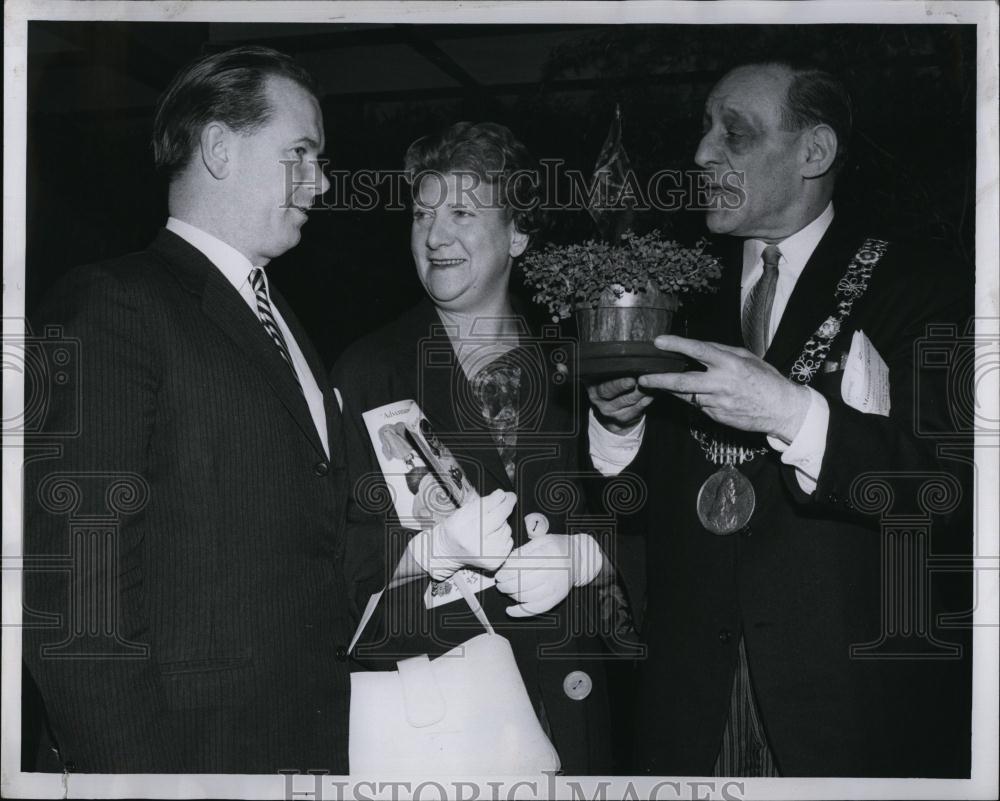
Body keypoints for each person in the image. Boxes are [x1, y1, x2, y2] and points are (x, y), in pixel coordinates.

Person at [587, 60, 973, 777]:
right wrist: (616, 428)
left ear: (814, 153)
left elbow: (948, 489)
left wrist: (794, 414)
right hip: (686, 709)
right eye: (705, 129)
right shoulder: (669, 287)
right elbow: (625, 505)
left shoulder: (920, 285)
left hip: (848, 709)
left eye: (733, 133)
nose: (703, 153)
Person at [23, 46, 355, 773]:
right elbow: (77, 595)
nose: (321, 182)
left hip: (301, 750)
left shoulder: (289, 325)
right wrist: (143, 784)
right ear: (217, 148)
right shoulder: (114, 306)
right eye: (300, 153)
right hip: (186, 761)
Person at [331, 122, 626, 774]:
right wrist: (427, 557)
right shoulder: (371, 371)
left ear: (518, 232)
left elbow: (642, 532)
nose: (435, 235)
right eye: (422, 213)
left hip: (572, 709)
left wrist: (593, 560)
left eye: (462, 212)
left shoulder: (577, 363)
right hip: (449, 727)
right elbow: (346, 569)